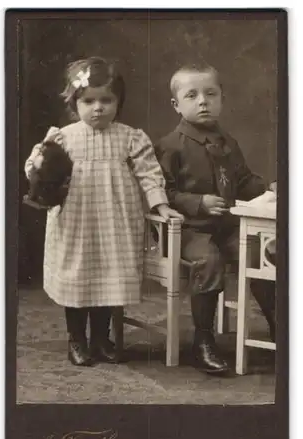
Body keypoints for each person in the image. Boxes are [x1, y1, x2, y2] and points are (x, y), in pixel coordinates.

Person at [25, 56, 183, 367]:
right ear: (75, 103)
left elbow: (149, 173)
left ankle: (102, 338)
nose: (98, 107)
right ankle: (77, 340)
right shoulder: (63, 137)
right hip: (76, 222)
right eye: (89, 101)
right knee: (79, 280)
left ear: (118, 102)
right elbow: (35, 169)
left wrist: (160, 204)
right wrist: (41, 162)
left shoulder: (129, 137)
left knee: (107, 282)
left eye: (106, 100)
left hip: (116, 219)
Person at [155, 62, 276, 375]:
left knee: (259, 252)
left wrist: (267, 187)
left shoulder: (228, 142)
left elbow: (244, 180)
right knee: (208, 259)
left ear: (222, 98)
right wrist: (198, 202)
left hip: (226, 227)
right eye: (192, 95)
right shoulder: (170, 146)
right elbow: (161, 192)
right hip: (188, 231)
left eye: (210, 93)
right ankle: (203, 339)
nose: (203, 101)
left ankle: (279, 326)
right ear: (176, 104)